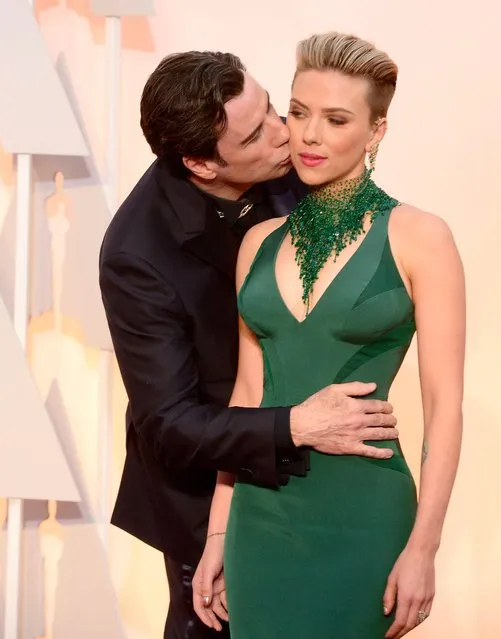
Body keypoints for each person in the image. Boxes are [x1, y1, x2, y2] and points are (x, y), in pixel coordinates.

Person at [99, 50, 402, 639]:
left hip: (324, 475)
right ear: (202, 164)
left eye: (272, 108)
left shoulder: (294, 158)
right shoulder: (136, 255)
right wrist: (297, 426)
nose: (286, 134)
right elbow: (172, 424)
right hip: (202, 500)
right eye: (257, 134)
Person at [193, 32, 465, 639]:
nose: (309, 134)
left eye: (336, 119)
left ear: (376, 131)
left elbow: (445, 406)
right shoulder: (258, 243)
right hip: (259, 522)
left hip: (364, 516)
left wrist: (424, 546)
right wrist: (217, 535)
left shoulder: (421, 237)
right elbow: (247, 395)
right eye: (297, 112)